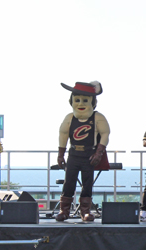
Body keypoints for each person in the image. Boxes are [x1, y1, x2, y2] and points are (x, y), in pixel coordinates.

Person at [56, 81, 110, 222]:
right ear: (71, 101)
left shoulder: (97, 117)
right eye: (77, 100)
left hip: (89, 154)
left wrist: (99, 152)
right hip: (73, 154)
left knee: (87, 183)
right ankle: (64, 210)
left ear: (93, 102)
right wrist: (60, 154)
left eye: (85, 100)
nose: (81, 104)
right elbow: (63, 134)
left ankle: (85, 211)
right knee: (69, 182)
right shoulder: (69, 118)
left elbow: (105, 133)